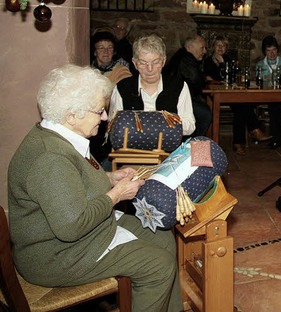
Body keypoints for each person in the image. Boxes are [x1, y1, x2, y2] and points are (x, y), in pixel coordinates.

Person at [7, 64, 183, 312]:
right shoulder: (50, 159)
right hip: (58, 256)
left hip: (80, 237)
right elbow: (72, 226)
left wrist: (110, 178)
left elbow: (74, 181)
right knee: (158, 265)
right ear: (72, 115)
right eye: (99, 110)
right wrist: (117, 194)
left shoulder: (58, 137)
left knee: (161, 234)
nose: (104, 117)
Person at [110, 34, 196, 137]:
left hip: (168, 150)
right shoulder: (122, 88)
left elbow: (190, 126)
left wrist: (158, 125)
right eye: (143, 63)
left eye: (155, 62)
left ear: (163, 61)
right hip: (131, 150)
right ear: (135, 63)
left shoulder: (178, 86)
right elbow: (113, 127)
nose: (150, 69)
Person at [203, 36, 271, 155]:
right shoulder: (208, 61)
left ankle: (238, 143)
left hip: (230, 92)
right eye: (218, 45)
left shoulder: (229, 59)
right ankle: (253, 130)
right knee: (241, 105)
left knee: (241, 104)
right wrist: (222, 65)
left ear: (226, 48)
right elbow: (214, 78)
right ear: (213, 47)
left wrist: (224, 65)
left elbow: (234, 77)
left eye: (223, 46)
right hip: (216, 94)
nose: (220, 48)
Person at [89, 31, 132, 170]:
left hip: (111, 119)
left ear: (114, 52)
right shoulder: (88, 71)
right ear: (95, 52)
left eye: (109, 48)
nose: (106, 52)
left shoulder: (122, 71)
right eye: (101, 48)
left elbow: (119, 96)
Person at [163, 34, 212, 138]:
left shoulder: (182, 55)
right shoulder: (186, 59)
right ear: (190, 48)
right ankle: (190, 143)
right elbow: (197, 81)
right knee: (205, 114)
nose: (205, 51)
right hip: (175, 101)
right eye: (202, 48)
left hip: (177, 97)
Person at [255, 35, 281, 149]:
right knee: (275, 103)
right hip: (266, 94)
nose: (272, 53)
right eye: (268, 50)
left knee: (277, 103)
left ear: (277, 49)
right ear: (264, 51)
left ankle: (277, 136)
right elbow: (258, 82)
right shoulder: (260, 65)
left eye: (274, 50)